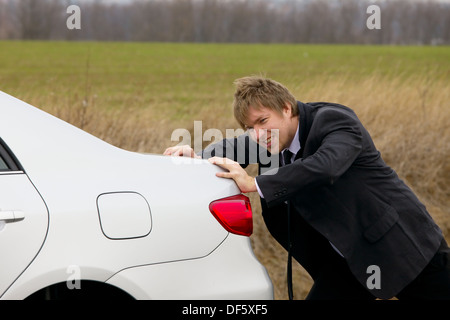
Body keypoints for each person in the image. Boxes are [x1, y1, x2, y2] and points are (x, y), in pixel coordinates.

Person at [164, 76, 450, 300]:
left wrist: (255, 184)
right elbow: (238, 145)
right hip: (347, 263)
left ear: (287, 108)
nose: (258, 133)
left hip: (403, 248)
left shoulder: (336, 121)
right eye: (250, 126)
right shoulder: (270, 138)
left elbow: (326, 165)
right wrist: (199, 156)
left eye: (263, 121)